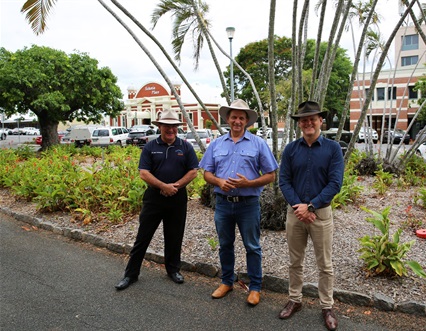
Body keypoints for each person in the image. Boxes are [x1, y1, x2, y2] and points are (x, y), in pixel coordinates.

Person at [199, 99, 278, 306]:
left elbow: (271, 175)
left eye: (241, 118)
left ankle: (255, 288)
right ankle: (226, 282)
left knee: (252, 246)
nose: (237, 121)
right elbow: (206, 173)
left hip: (248, 204)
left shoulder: (258, 144)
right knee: (225, 245)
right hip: (223, 203)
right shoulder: (216, 144)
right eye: (234, 117)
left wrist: (249, 182)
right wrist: (218, 181)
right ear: (228, 119)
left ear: (246, 121)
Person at [115, 109, 199, 290]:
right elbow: (144, 173)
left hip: (177, 198)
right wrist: (163, 186)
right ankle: (131, 274)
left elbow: (193, 171)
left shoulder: (185, 147)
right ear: (160, 126)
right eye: (166, 126)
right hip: (154, 199)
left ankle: (173, 270)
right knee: (142, 237)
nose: (170, 130)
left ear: (177, 128)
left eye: (173, 126)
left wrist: (175, 186)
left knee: (174, 237)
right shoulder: (150, 147)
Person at [278, 100, 344, 331]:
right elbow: (283, 181)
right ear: (299, 124)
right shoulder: (291, 149)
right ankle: (295, 300)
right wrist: (300, 207)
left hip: (321, 215)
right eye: (303, 120)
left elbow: (335, 183)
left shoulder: (333, 149)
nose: (308, 123)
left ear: (320, 121)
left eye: (312, 119)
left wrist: (312, 206)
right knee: (294, 261)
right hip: (296, 213)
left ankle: (327, 306)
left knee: (324, 264)